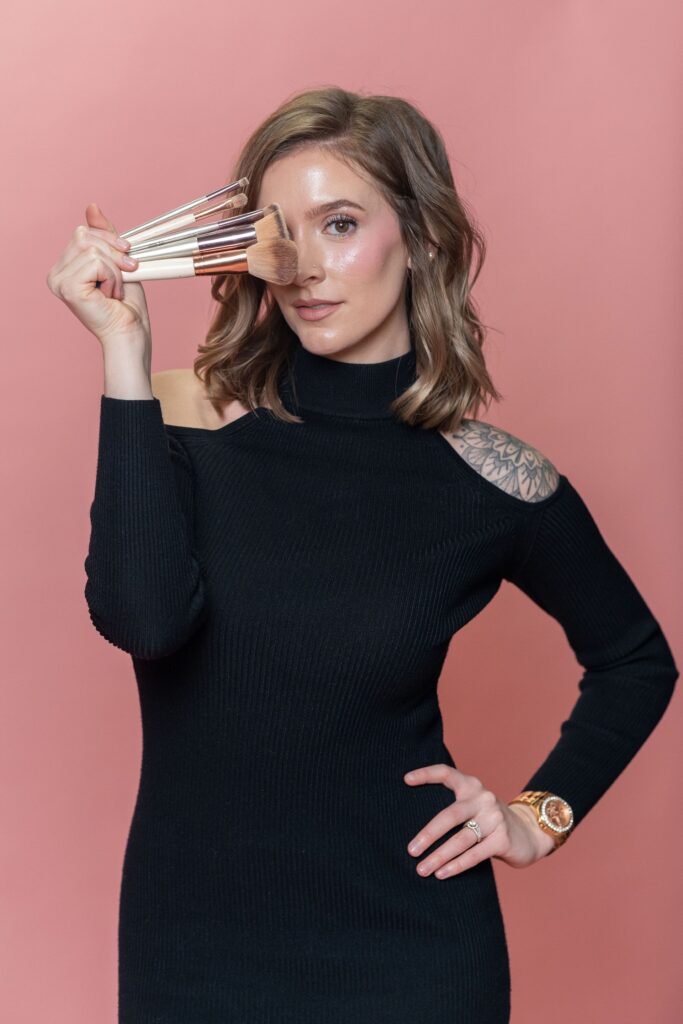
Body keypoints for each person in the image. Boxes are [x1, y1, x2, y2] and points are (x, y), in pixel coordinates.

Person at [46, 86, 678, 1023]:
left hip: (413, 958)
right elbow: (141, 619)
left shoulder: (491, 479)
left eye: (339, 223)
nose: (303, 266)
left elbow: (635, 661)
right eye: (279, 234)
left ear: (420, 238)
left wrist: (534, 819)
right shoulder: (179, 416)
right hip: (194, 954)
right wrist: (125, 355)